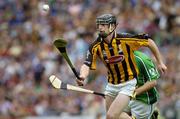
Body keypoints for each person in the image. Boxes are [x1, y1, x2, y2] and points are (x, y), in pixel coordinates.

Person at [76, 14, 167, 119]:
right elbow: (87, 64)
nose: (100, 27)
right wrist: (82, 76)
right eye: (99, 24)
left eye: (103, 24)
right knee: (112, 117)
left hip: (127, 84)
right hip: (111, 85)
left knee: (111, 115)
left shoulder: (125, 39)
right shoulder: (95, 46)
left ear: (112, 26)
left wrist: (160, 62)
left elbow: (149, 41)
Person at [120, 50, 160, 119]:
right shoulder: (118, 60)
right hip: (129, 98)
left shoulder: (142, 59)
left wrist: (135, 92)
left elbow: (153, 82)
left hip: (144, 99)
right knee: (112, 113)